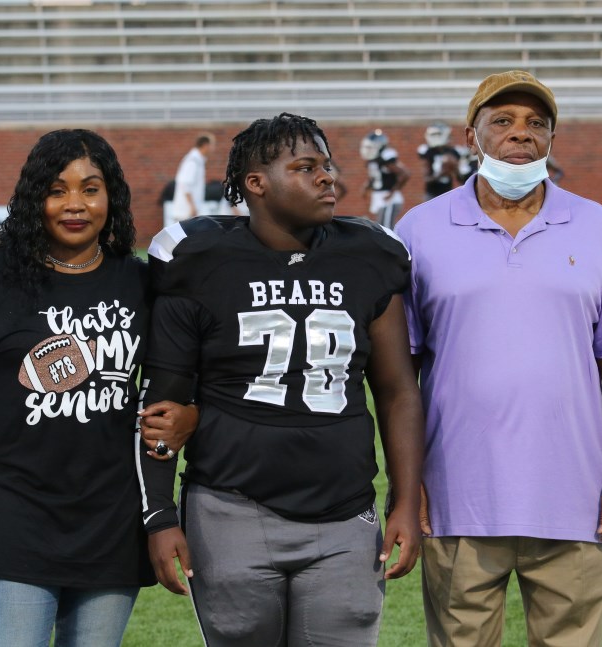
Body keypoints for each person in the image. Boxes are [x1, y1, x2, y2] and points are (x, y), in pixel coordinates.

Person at [138, 112, 424, 647]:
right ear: (256, 183)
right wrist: (159, 515)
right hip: (230, 508)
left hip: (346, 512)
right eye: (306, 167)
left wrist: (405, 500)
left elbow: (397, 390)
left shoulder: (368, 254)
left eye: (328, 166)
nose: (327, 177)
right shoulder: (198, 260)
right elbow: (161, 405)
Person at [395, 70, 602, 646]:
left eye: (537, 123)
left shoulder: (596, 224)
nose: (521, 133)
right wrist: (406, 482)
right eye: (503, 121)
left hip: (576, 497)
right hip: (457, 495)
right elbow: (398, 374)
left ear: (552, 139)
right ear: (472, 136)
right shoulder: (421, 228)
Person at [0, 129, 197, 646]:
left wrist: (191, 415)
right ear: (34, 199)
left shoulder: (141, 284)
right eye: (56, 190)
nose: (75, 204)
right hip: (15, 515)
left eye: (90, 189)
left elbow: (181, 379)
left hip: (113, 518)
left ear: (110, 197)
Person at [360, 128, 411, 228]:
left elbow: (405, 174)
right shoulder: (372, 160)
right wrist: (367, 185)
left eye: (370, 147)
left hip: (388, 198)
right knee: (380, 226)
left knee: (386, 228)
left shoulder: (386, 159)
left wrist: (392, 192)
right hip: (379, 197)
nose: (368, 150)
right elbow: (375, 177)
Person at [170, 132, 215, 221]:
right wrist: (192, 206)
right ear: (205, 145)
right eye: (212, 145)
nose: (213, 148)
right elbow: (184, 184)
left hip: (190, 213)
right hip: (186, 213)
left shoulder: (197, 160)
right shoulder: (193, 161)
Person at [416, 121, 461, 201]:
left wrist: (454, 167)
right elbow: (427, 178)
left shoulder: (452, 152)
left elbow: (460, 178)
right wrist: (441, 173)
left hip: (448, 193)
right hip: (432, 194)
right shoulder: (428, 152)